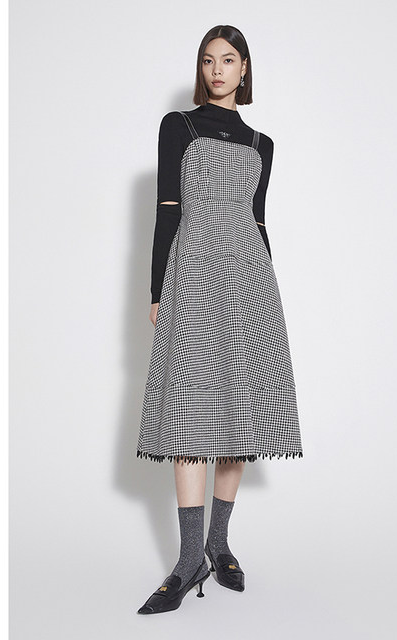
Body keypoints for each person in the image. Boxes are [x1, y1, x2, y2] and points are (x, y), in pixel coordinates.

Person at [136, 25, 304, 615]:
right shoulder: (178, 127)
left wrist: (268, 294)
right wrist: (157, 289)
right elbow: (167, 208)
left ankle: (218, 543)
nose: (216, 70)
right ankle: (189, 559)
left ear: (244, 68)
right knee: (189, 409)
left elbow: (259, 222)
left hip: (250, 282)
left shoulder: (262, 143)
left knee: (238, 411)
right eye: (208, 60)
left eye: (228, 60)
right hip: (193, 272)